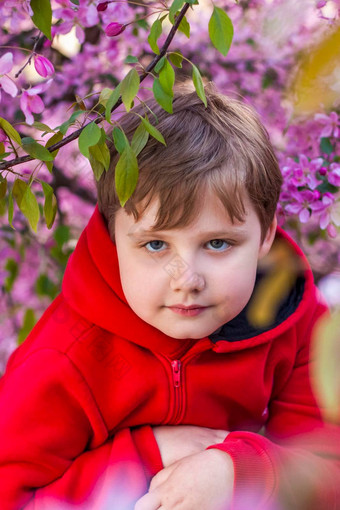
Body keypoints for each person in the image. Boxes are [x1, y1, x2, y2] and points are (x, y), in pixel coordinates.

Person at [0, 85, 339, 510]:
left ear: (266, 233)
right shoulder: (64, 356)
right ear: (112, 235)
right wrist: (147, 455)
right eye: (156, 245)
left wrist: (239, 469)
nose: (188, 280)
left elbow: (328, 467)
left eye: (217, 243)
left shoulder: (297, 321)